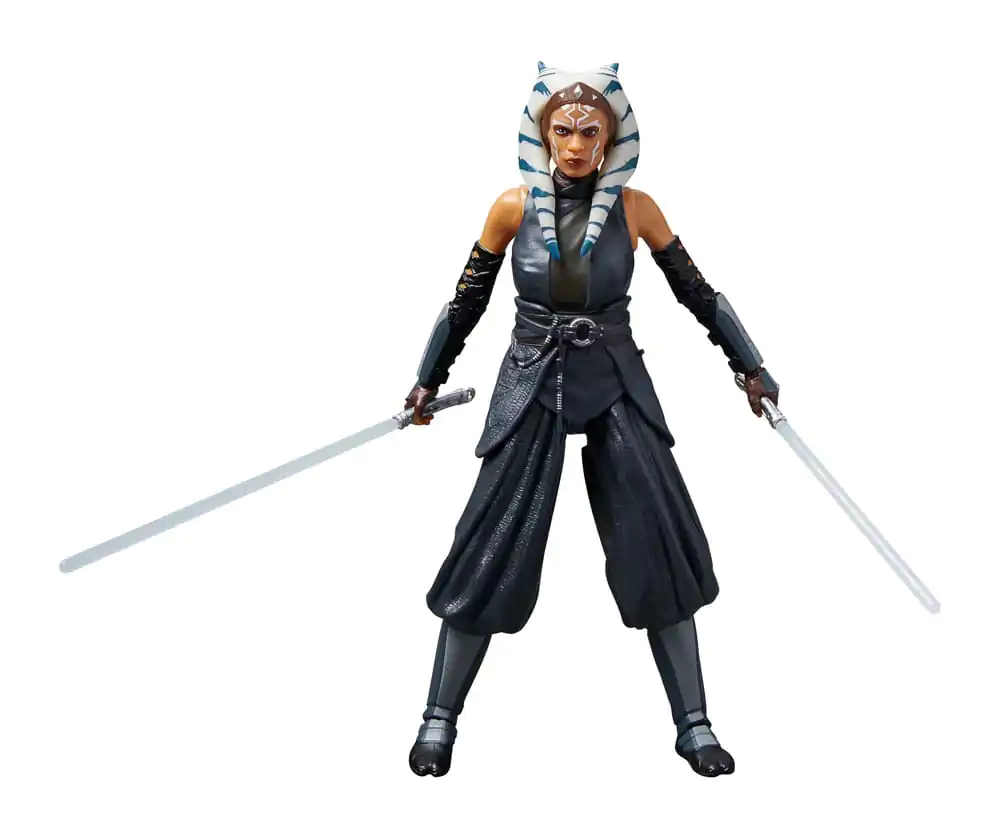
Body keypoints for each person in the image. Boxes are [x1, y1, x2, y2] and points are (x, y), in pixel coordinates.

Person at [403, 63, 779, 779]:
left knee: (658, 542)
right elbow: (466, 301)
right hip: (531, 379)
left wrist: (749, 364)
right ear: (543, 134)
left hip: (613, 377)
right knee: (488, 546)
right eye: (564, 131)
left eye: (590, 132)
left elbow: (697, 292)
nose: (576, 145)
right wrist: (427, 378)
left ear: (612, 137)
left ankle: (694, 723)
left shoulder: (637, 210)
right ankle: (438, 718)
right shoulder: (511, 208)